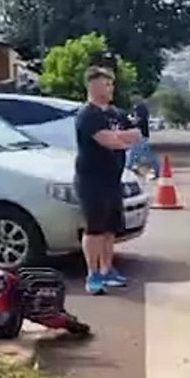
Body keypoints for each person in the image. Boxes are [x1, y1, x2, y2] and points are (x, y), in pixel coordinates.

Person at [75, 66, 142, 295]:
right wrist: (120, 139)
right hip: (91, 180)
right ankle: (92, 274)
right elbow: (108, 140)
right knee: (94, 229)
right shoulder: (87, 115)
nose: (111, 88)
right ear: (92, 86)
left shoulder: (115, 114)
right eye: (106, 84)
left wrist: (121, 138)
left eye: (111, 84)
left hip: (113, 180)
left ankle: (107, 269)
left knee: (110, 229)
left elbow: (137, 135)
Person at [125, 93, 160, 178]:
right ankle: (132, 168)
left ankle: (130, 168)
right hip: (140, 135)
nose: (132, 98)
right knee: (139, 153)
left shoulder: (140, 108)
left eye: (134, 96)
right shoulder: (138, 108)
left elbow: (139, 121)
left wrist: (130, 121)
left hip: (141, 135)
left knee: (137, 154)